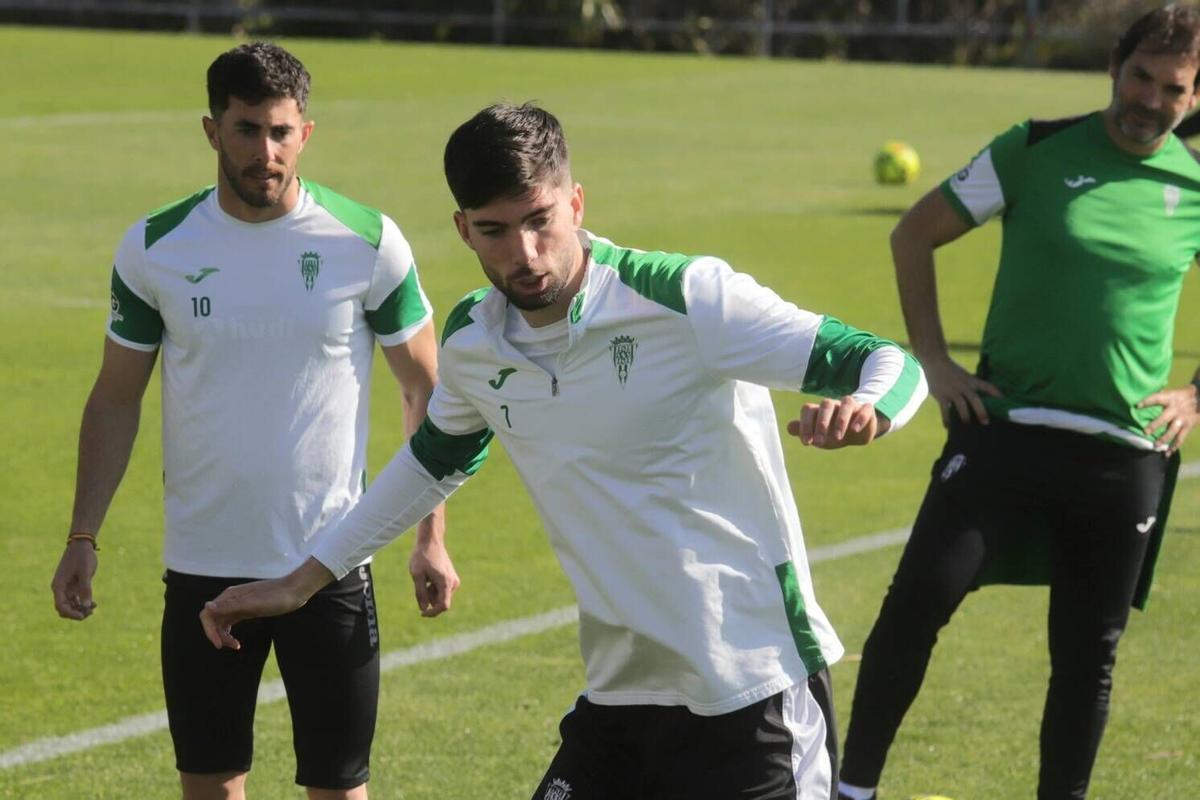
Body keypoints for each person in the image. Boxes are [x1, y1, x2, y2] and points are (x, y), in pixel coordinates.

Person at [197, 102, 929, 800]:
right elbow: (431, 461)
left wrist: (870, 410)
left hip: (751, 692)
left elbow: (887, 360)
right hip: (620, 697)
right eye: (495, 231)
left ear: (575, 202)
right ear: (461, 228)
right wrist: (304, 580)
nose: (524, 254)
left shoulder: (686, 298)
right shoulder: (475, 344)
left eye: (540, 221)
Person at [49, 42, 452, 800]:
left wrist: (429, 538)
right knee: (210, 786)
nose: (265, 152)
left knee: (339, 790)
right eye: (245, 130)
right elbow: (115, 398)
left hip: (331, 563)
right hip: (203, 567)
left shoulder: (367, 244)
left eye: (280, 132)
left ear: (307, 133)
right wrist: (81, 537)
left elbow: (427, 394)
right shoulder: (154, 249)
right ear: (211, 131)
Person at [836, 7, 1200, 800]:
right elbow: (914, 234)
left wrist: (1197, 396)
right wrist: (934, 362)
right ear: (1115, 66)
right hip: (1003, 433)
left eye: (1172, 88)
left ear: (1195, 94)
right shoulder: (1032, 148)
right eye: (1140, 76)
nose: (1149, 99)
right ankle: (848, 790)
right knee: (916, 604)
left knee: (1086, 656)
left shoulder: (1196, 185)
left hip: (1125, 456)